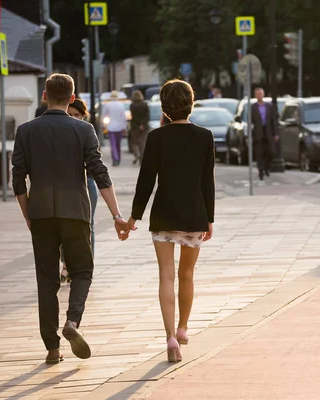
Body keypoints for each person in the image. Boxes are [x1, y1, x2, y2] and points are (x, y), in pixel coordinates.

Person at [12, 73, 130, 364]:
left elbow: (17, 178)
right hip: (75, 211)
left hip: (41, 213)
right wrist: (116, 214)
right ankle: (73, 322)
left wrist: (28, 214)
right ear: (73, 98)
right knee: (82, 271)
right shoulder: (84, 130)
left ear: (44, 95)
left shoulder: (26, 131)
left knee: (46, 280)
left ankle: (52, 347)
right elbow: (99, 173)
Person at [129, 79, 215, 363]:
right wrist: (210, 219)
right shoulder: (205, 136)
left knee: (166, 275)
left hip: (163, 214)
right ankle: (183, 329)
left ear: (165, 108)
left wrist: (133, 217)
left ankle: (168, 337)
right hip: (194, 214)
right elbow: (207, 182)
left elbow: (145, 182)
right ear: (191, 105)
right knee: (186, 275)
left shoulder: (156, 138)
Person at [60, 98, 98, 283]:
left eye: (78, 115)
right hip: (65, 183)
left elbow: (95, 163)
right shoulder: (60, 133)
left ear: (83, 116)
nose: (74, 118)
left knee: (87, 226)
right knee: (63, 226)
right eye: (71, 114)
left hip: (87, 182)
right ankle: (66, 265)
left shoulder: (86, 132)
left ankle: (85, 267)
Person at [250, 87, 278, 180]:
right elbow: (250, 121)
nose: (259, 95)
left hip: (268, 131)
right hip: (258, 133)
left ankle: (267, 167)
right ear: (255, 96)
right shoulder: (253, 107)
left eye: (260, 94)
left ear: (263, 94)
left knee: (271, 152)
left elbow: (273, 120)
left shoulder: (269, 106)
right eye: (257, 94)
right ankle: (261, 171)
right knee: (259, 153)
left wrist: (276, 133)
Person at [102, 91, 128, 166]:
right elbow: (123, 117)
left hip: (111, 127)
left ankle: (115, 159)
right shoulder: (121, 105)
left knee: (113, 144)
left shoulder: (108, 105)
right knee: (118, 144)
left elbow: (104, 116)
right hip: (119, 127)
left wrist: (104, 125)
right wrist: (124, 127)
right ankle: (118, 158)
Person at [129, 90, 150, 165]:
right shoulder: (145, 104)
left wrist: (138, 124)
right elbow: (147, 116)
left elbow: (133, 116)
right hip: (144, 127)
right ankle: (142, 159)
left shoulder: (132, 105)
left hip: (135, 126)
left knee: (133, 142)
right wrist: (142, 124)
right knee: (142, 143)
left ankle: (136, 154)